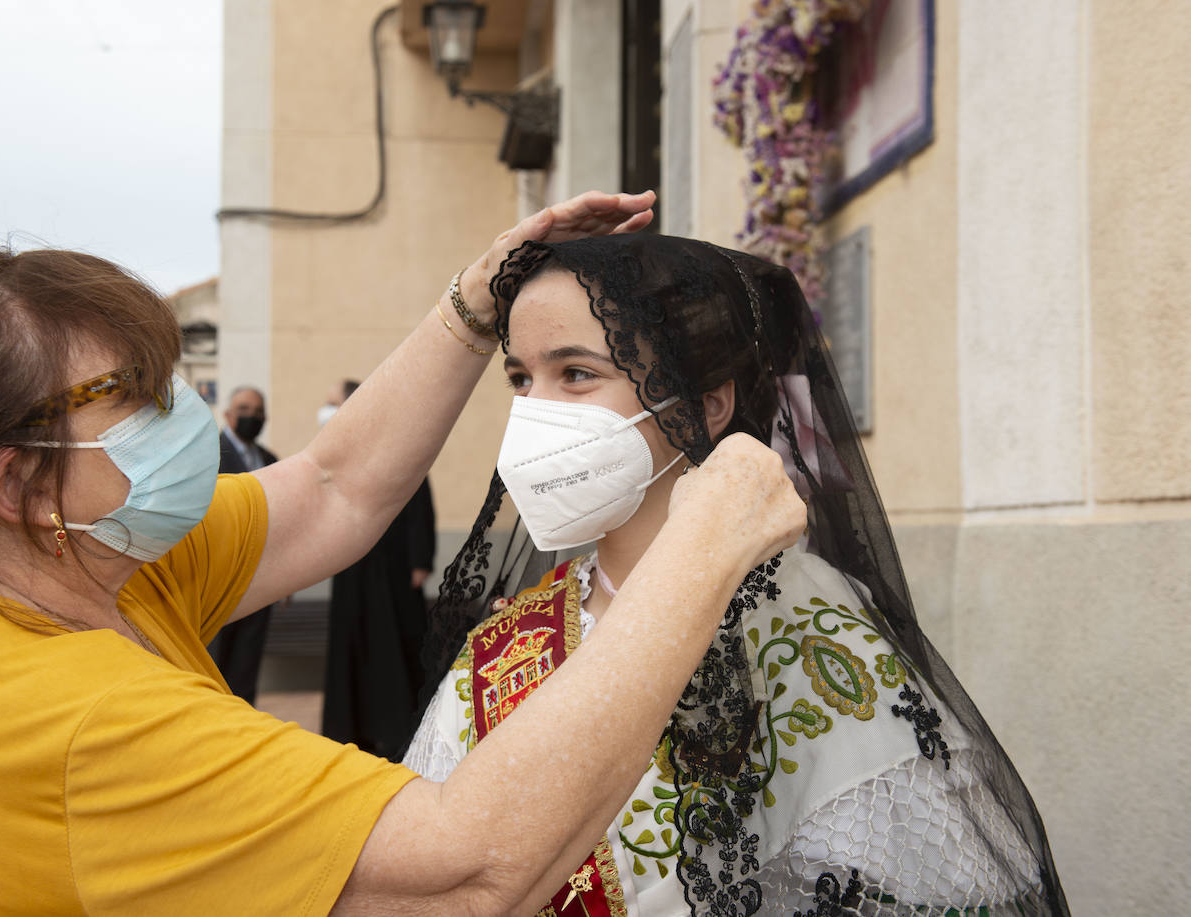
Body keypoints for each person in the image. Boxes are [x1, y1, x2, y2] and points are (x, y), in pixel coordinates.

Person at [0, 190, 809, 915]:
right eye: (138, 400)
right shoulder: (74, 719)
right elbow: (472, 869)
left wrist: (475, 300)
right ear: (19, 487)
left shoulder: (84, 564)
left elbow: (336, 486)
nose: (187, 414)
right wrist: (702, 547)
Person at [406, 234, 1069, 915]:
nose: (534, 412)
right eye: (520, 378)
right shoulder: (513, 638)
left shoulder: (805, 623)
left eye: (576, 373)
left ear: (706, 404)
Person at [319, 379, 436, 758]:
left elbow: (419, 506)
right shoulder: (340, 453)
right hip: (351, 569)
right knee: (352, 645)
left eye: (334, 403)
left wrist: (420, 560)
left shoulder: (399, 446)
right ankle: (350, 732)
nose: (329, 411)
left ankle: (397, 731)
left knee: (393, 647)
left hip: (393, 570)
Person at [206, 385, 279, 703]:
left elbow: (280, 522)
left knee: (246, 667)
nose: (253, 417)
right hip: (216, 580)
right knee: (214, 668)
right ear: (227, 414)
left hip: (260, 581)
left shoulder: (271, 461)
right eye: (245, 410)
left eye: (258, 411)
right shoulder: (208, 456)